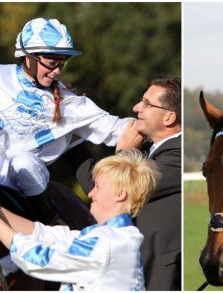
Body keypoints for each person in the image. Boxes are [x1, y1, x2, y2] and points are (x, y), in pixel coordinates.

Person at [0, 18, 133, 224]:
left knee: (22, 162)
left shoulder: (68, 102)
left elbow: (118, 128)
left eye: (62, 64)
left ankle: (50, 221)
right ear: (29, 58)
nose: (58, 72)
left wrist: (152, 120)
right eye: (52, 64)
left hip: (25, 180)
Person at [0, 150, 159, 291]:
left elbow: (38, 259)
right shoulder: (114, 237)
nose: (90, 193)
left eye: (98, 187)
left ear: (120, 194)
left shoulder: (108, 245)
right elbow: (47, 235)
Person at [76, 75, 181, 290]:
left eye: (147, 103)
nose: (136, 108)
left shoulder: (177, 156)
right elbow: (93, 183)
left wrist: (123, 151)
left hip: (160, 278)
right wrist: (71, 129)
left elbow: (111, 191)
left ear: (169, 117)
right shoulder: (146, 151)